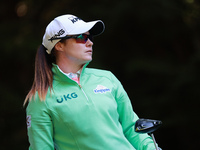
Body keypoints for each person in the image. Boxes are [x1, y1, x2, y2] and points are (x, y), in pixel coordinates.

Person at [24, 14, 161, 150]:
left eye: (90, 37)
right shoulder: (41, 98)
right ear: (59, 45)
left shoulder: (107, 78)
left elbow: (132, 127)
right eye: (81, 37)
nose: (90, 42)